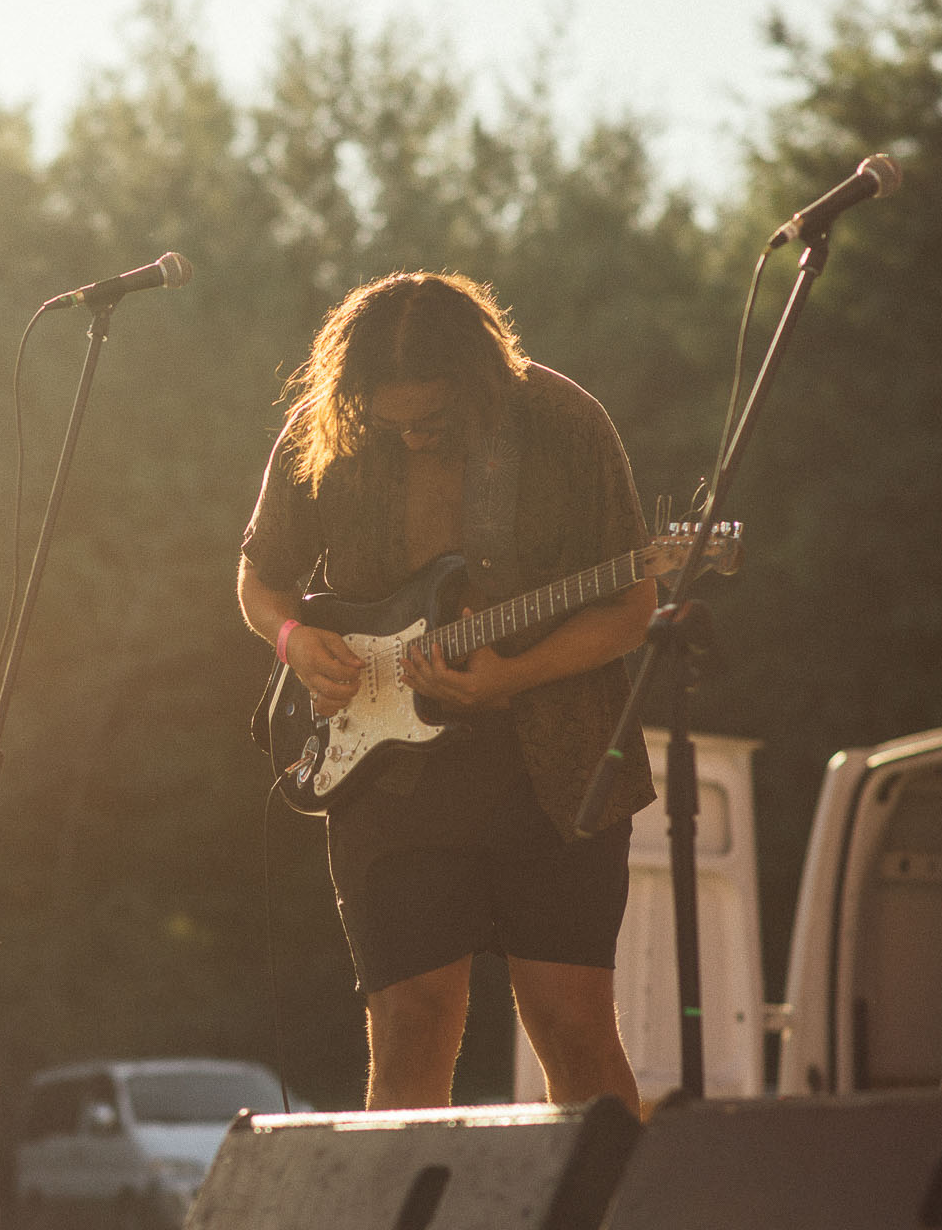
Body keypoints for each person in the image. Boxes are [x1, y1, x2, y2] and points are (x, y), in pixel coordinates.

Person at [237, 270, 656, 1115]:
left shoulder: (564, 422)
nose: (413, 438)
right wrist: (293, 641)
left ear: (480, 383)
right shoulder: (324, 430)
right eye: (390, 424)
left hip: (557, 765)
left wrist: (512, 675)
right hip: (389, 777)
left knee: (572, 1025)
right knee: (410, 1027)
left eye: (432, 421)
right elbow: (258, 578)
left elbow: (632, 607)